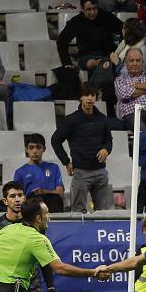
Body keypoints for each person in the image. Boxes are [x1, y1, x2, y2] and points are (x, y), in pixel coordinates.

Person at [51, 82, 114, 213]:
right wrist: (66, 162)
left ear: (96, 98)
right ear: (81, 97)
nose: (90, 98)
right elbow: (55, 140)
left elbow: (109, 140)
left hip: (101, 171)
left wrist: (106, 149)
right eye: (86, 95)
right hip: (80, 172)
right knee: (78, 212)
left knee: (104, 213)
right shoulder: (71, 120)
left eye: (93, 95)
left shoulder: (102, 119)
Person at [56, 0, 124, 75]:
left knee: (110, 63)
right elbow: (61, 41)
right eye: (88, 9)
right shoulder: (76, 21)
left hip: (107, 54)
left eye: (95, 8)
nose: (92, 12)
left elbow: (123, 29)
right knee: (92, 64)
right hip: (86, 56)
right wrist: (66, 62)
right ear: (82, 9)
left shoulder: (107, 17)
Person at [12, 135, 65, 214]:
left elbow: (60, 192)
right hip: (31, 204)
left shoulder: (53, 167)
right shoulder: (20, 172)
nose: (35, 151)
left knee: (54, 199)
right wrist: (31, 194)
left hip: (52, 202)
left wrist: (44, 191)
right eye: (31, 147)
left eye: (38, 147)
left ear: (44, 149)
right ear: (26, 150)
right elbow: (17, 198)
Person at [114, 47, 146, 131]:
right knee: (142, 129)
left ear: (142, 62)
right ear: (126, 62)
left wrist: (135, 86)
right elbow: (125, 95)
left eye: (138, 60)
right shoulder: (120, 80)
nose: (135, 63)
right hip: (132, 114)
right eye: (131, 60)